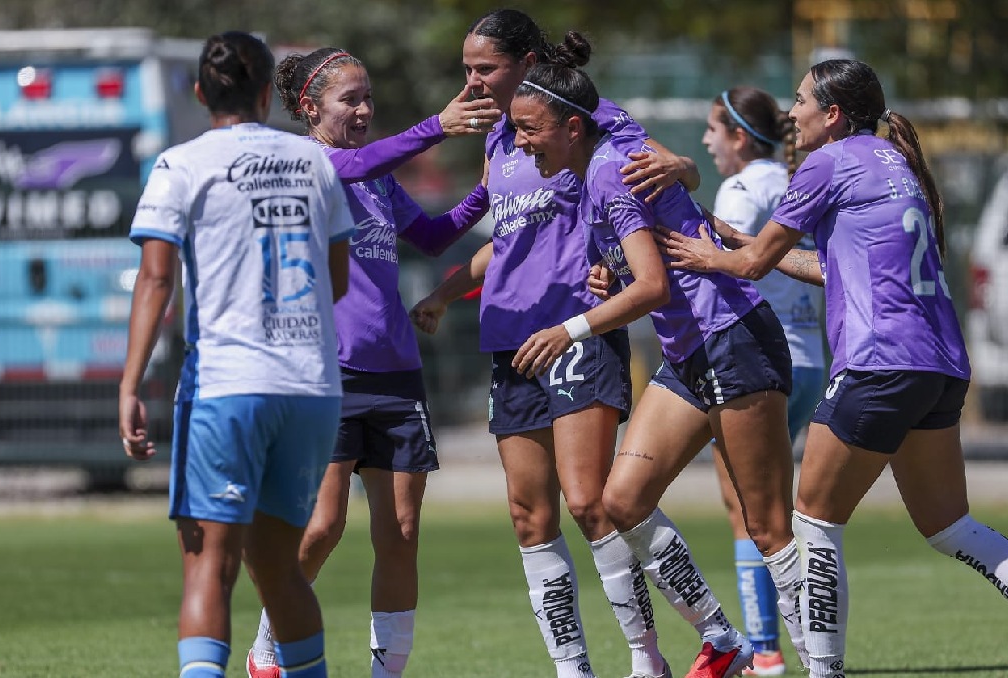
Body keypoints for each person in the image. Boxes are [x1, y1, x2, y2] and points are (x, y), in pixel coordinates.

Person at [657, 58, 1008, 678]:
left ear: (834, 115)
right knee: (949, 524)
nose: (791, 114)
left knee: (813, 521)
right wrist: (733, 238)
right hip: (939, 363)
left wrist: (702, 251)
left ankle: (824, 672)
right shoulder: (891, 161)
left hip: (879, 363)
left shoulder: (827, 161)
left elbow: (752, 269)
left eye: (800, 102)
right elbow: (826, 269)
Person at [409, 9, 699, 678]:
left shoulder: (586, 121)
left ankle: (645, 656)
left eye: (485, 68)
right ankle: (572, 668)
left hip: (577, 332)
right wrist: (445, 294)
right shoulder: (501, 143)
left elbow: (661, 178)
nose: (473, 81)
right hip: (510, 343)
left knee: (590, 503)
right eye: (466, 70)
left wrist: (680, 170)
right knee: (527, 517)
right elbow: (508, 245)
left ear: (527, 64)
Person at [505, 63, 810, 678]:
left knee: (768, 527)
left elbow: (651, 286)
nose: (518, 142)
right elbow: (653, 250)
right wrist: (607, 273)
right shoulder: (593, 170)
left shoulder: (609, 170)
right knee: (622, 499)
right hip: (688, 352)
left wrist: (569, 329)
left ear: (570, 125)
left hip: (732, 338)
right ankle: (721, 638)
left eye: (528, 130)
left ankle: (819, 665)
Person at [243, 47, 496, 678]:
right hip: (331, 376)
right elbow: (352, 163)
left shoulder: (377, 176)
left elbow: (435, 237)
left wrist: (490, 190)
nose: (363, 110)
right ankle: (267, 644)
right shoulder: (307, 162)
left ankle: (388, 672)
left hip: (398, 373)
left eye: (367, 98)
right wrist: (438, 125)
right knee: (323, 526)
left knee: (402, 532)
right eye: (348, 99)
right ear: (310, 107)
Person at [118, 31, 354, 678]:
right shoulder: (315, 164)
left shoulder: (180, 164)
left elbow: (157, 280)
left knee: (209, 569)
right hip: (310, 386)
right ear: (264, 95)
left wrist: (130, 383)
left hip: (229, 384)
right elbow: (336, 283)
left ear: (201, 94)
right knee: (280, 572)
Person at [699, 86, 825, 677]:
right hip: (809, 359)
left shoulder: (741, 189)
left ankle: (767, 652)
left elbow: (724, 253)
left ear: (739, 138)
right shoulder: (794, 179)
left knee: (750, 513)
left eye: (713, 131)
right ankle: (785, 645)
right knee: (775, 510)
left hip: (758, 364)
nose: (706, 142)